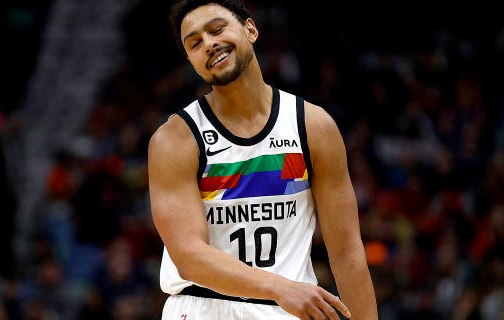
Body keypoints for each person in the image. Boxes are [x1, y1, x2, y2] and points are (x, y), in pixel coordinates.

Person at [147, 1, 378, 319]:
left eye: (217, 29)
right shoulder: (175, 139)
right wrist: (278, 288)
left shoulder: (312, 126)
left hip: (289, 308)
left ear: (250, 29)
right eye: (195, 43)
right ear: (191, 61)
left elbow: (346, 251)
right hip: (204, 307)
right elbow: (189, 255)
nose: (209, 44)